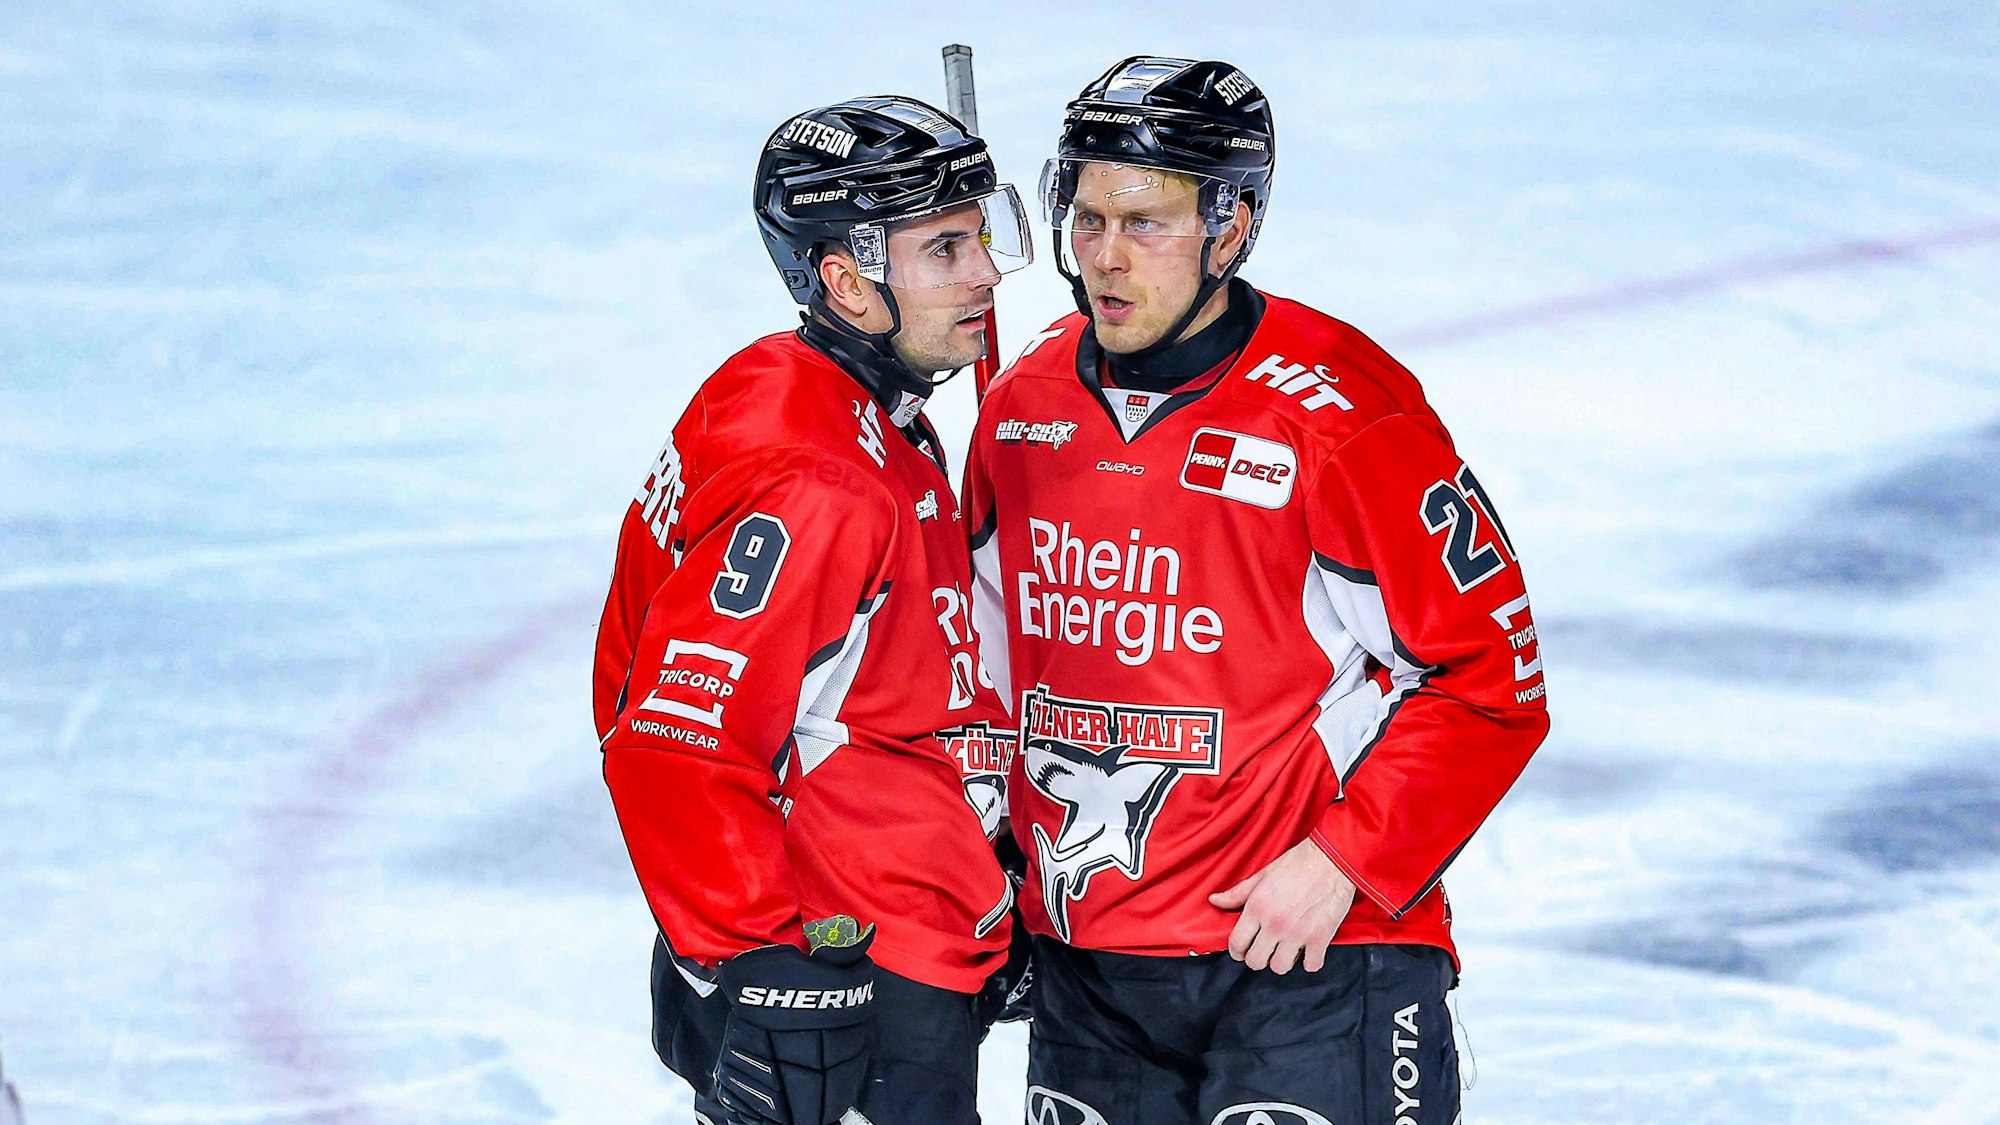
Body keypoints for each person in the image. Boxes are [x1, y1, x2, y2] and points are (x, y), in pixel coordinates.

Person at [962, 56, 1550, 1125]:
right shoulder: (1018, 409)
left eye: (1144, 222)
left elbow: (1489, 674)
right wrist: (990, 850)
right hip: (1092, 967)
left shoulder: (1339, 414)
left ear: (1228, 227)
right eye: (1085, 217)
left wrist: (1344, 861)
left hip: (1308, 958)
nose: (1101, 256)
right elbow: (987, 672)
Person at [592, 94, 1033, 1125]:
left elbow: (877, 685)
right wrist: (760, 969)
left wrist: (982, 862)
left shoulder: (811, 390)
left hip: (869, 939)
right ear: (844, 280)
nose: (986, 275)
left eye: (980, 234)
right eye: (943, 251)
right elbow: (675, 736)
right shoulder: (819, 478)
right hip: (846, 970)